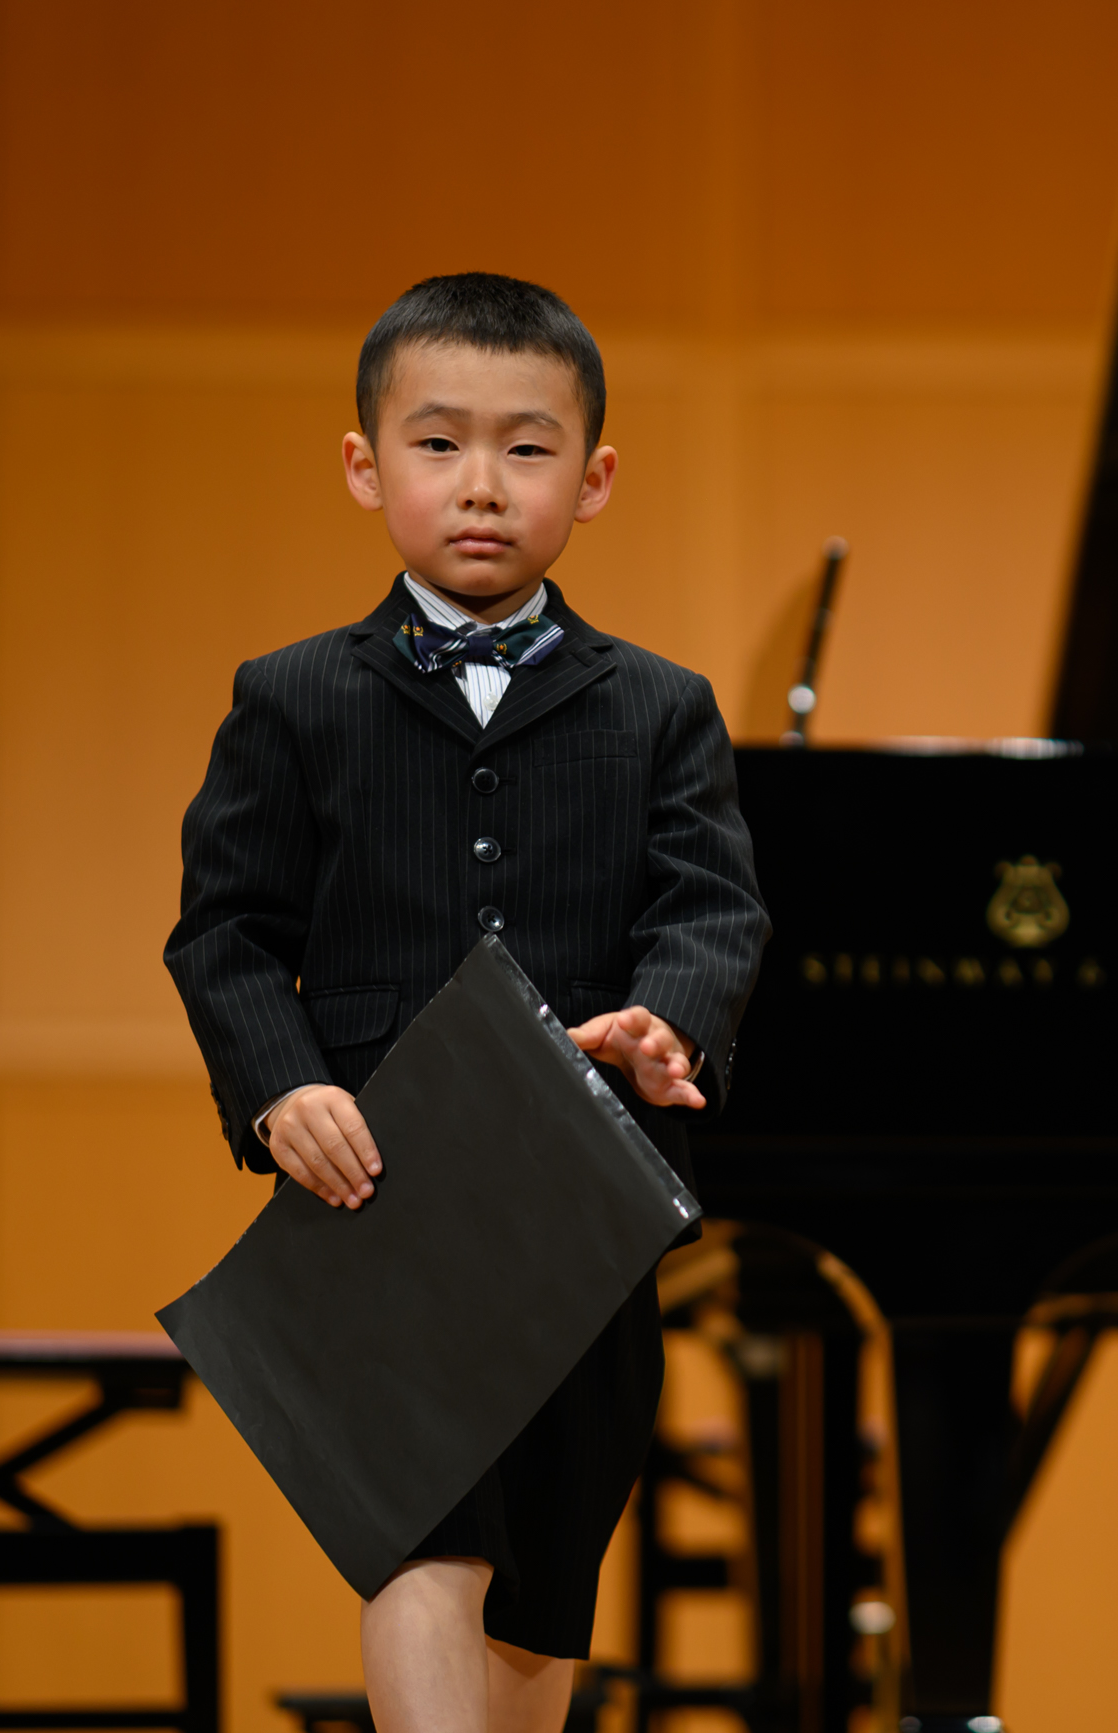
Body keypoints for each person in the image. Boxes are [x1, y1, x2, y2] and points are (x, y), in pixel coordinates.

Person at [164, 272, 770, 1733]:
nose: (481, 486)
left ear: (596, 476)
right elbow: (228, 932)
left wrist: (664, 1021)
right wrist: (281, 1082)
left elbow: (714, 907)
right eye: (438, 445)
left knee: (549, 1572)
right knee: (423, 1529)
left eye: (528, 447)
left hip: (588, 1190)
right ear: (367, 466)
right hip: (384, 1184)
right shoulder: (293, 696)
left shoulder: (663, 705)